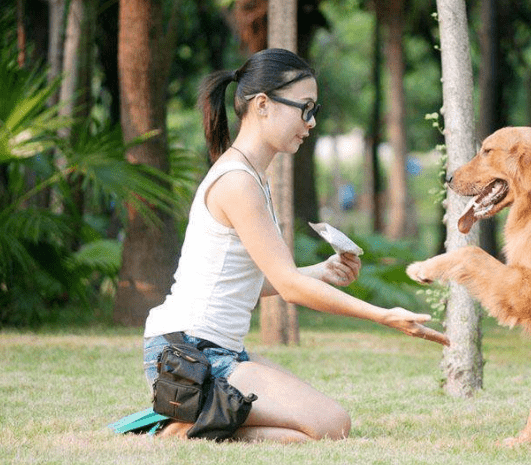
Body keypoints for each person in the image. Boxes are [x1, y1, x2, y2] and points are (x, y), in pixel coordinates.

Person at [142, 48, 448, 443]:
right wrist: (383, 315)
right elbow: (288, 287)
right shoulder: (238, 181)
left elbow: (242, 285)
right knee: (330, 425)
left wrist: (317, 272)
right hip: (189, 355)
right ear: (263, 105)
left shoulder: (253, 176)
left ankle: (193, 417)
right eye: (304, 108)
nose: (312, 121)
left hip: (208, 351)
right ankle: (181, 426)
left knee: (318, 426)